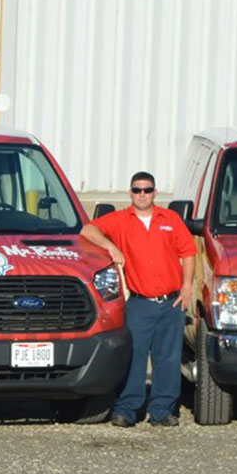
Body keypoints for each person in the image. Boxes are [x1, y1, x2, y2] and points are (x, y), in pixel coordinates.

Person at [80, 172, 196, 428]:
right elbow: (88, 229)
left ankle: (163, 411)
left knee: (167, 358)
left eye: (147, 190)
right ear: (130, 193)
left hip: (171, 303)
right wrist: (110, 246)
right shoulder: (120, 220)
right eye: (137, 190)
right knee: (134, 358)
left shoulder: (171, 219)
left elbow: (188, 253)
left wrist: (187, 286)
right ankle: (126, 410)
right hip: (139, 303)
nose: (142, 194)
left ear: (155, 192)